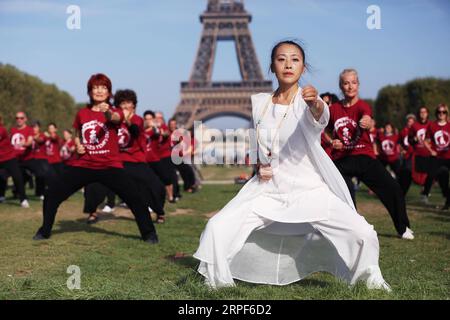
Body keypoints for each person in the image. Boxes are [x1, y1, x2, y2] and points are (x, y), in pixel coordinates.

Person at [194, 40, 391, 291]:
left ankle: (368, 279)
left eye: (295, 59)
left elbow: (320, 117)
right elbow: (259, 141)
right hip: (267, 188)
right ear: (272, 67)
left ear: (303, 67)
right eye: (281, 59)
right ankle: (217, 283)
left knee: (362, 233)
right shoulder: (260, 103)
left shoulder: (309, 100)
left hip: (307, 188)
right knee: (217, 227)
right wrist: (259, 165)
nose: (288, 64)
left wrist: (315, 104)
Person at [32, 73, 158, 244]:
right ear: (90, 91)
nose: (99, 91)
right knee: (52, 194)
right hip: (84, 164)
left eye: (103, 88)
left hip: (110, 166)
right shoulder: (82, 113)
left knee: (135, 198)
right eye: (95, 87)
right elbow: (77, 132)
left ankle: (149, 234)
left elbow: (113, 118)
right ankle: (45, 230)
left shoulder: (116, 112)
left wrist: (107, 112)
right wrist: (78, 144)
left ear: (109, 92)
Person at [327, 69, 413, 240]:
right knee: (344, 192)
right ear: (340, 86)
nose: (350, 86)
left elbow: (366, 116)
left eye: (353, 82)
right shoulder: (333, 109)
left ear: (358, 85)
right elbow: (323, 130)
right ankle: (350, 229)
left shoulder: (363, 105)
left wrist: (367, 121)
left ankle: (402, 228)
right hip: (342, 160)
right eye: (346, 83)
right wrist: (331, 142)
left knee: (393, 188)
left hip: (364, 157)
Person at [423, 104, 450, 209]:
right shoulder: (432, 125)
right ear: (436, 113)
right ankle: (425, 193)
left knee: (445, 178)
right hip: (436, 157)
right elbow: (425, 141)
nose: (441, 114)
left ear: (446, 113)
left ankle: (448, 202)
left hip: (448, 156)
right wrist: (430, 150)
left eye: (443, 112)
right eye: (439, 112)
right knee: (431, 175)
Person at [0, 114, 28, 207]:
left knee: (17, 178)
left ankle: (23, 199)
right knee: (2, 178)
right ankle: (1, 196)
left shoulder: (2, 129)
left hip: (9, 157)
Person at [408, 107, 432, 203]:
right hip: (418, 154)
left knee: (428, 176)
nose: (423, 114)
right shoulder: (414, 126)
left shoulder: (431, 124)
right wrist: (414, 139)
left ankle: (425, 194)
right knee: (417, 178)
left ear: (427, 114)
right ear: (419, 114)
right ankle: (423, 191)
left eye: (424, 112)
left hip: (429, 154)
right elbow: (409, 139)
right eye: (421, 112)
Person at [398, 114, 416, 195]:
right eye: (409, 122)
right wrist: (401, 150)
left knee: (410, 174)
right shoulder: (403, 131)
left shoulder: (416, 131)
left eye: (412, 122)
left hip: (414, 156)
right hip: (405, 156)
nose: (410, 123)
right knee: (403, 175)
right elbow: (399, 143)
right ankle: (401, 192)